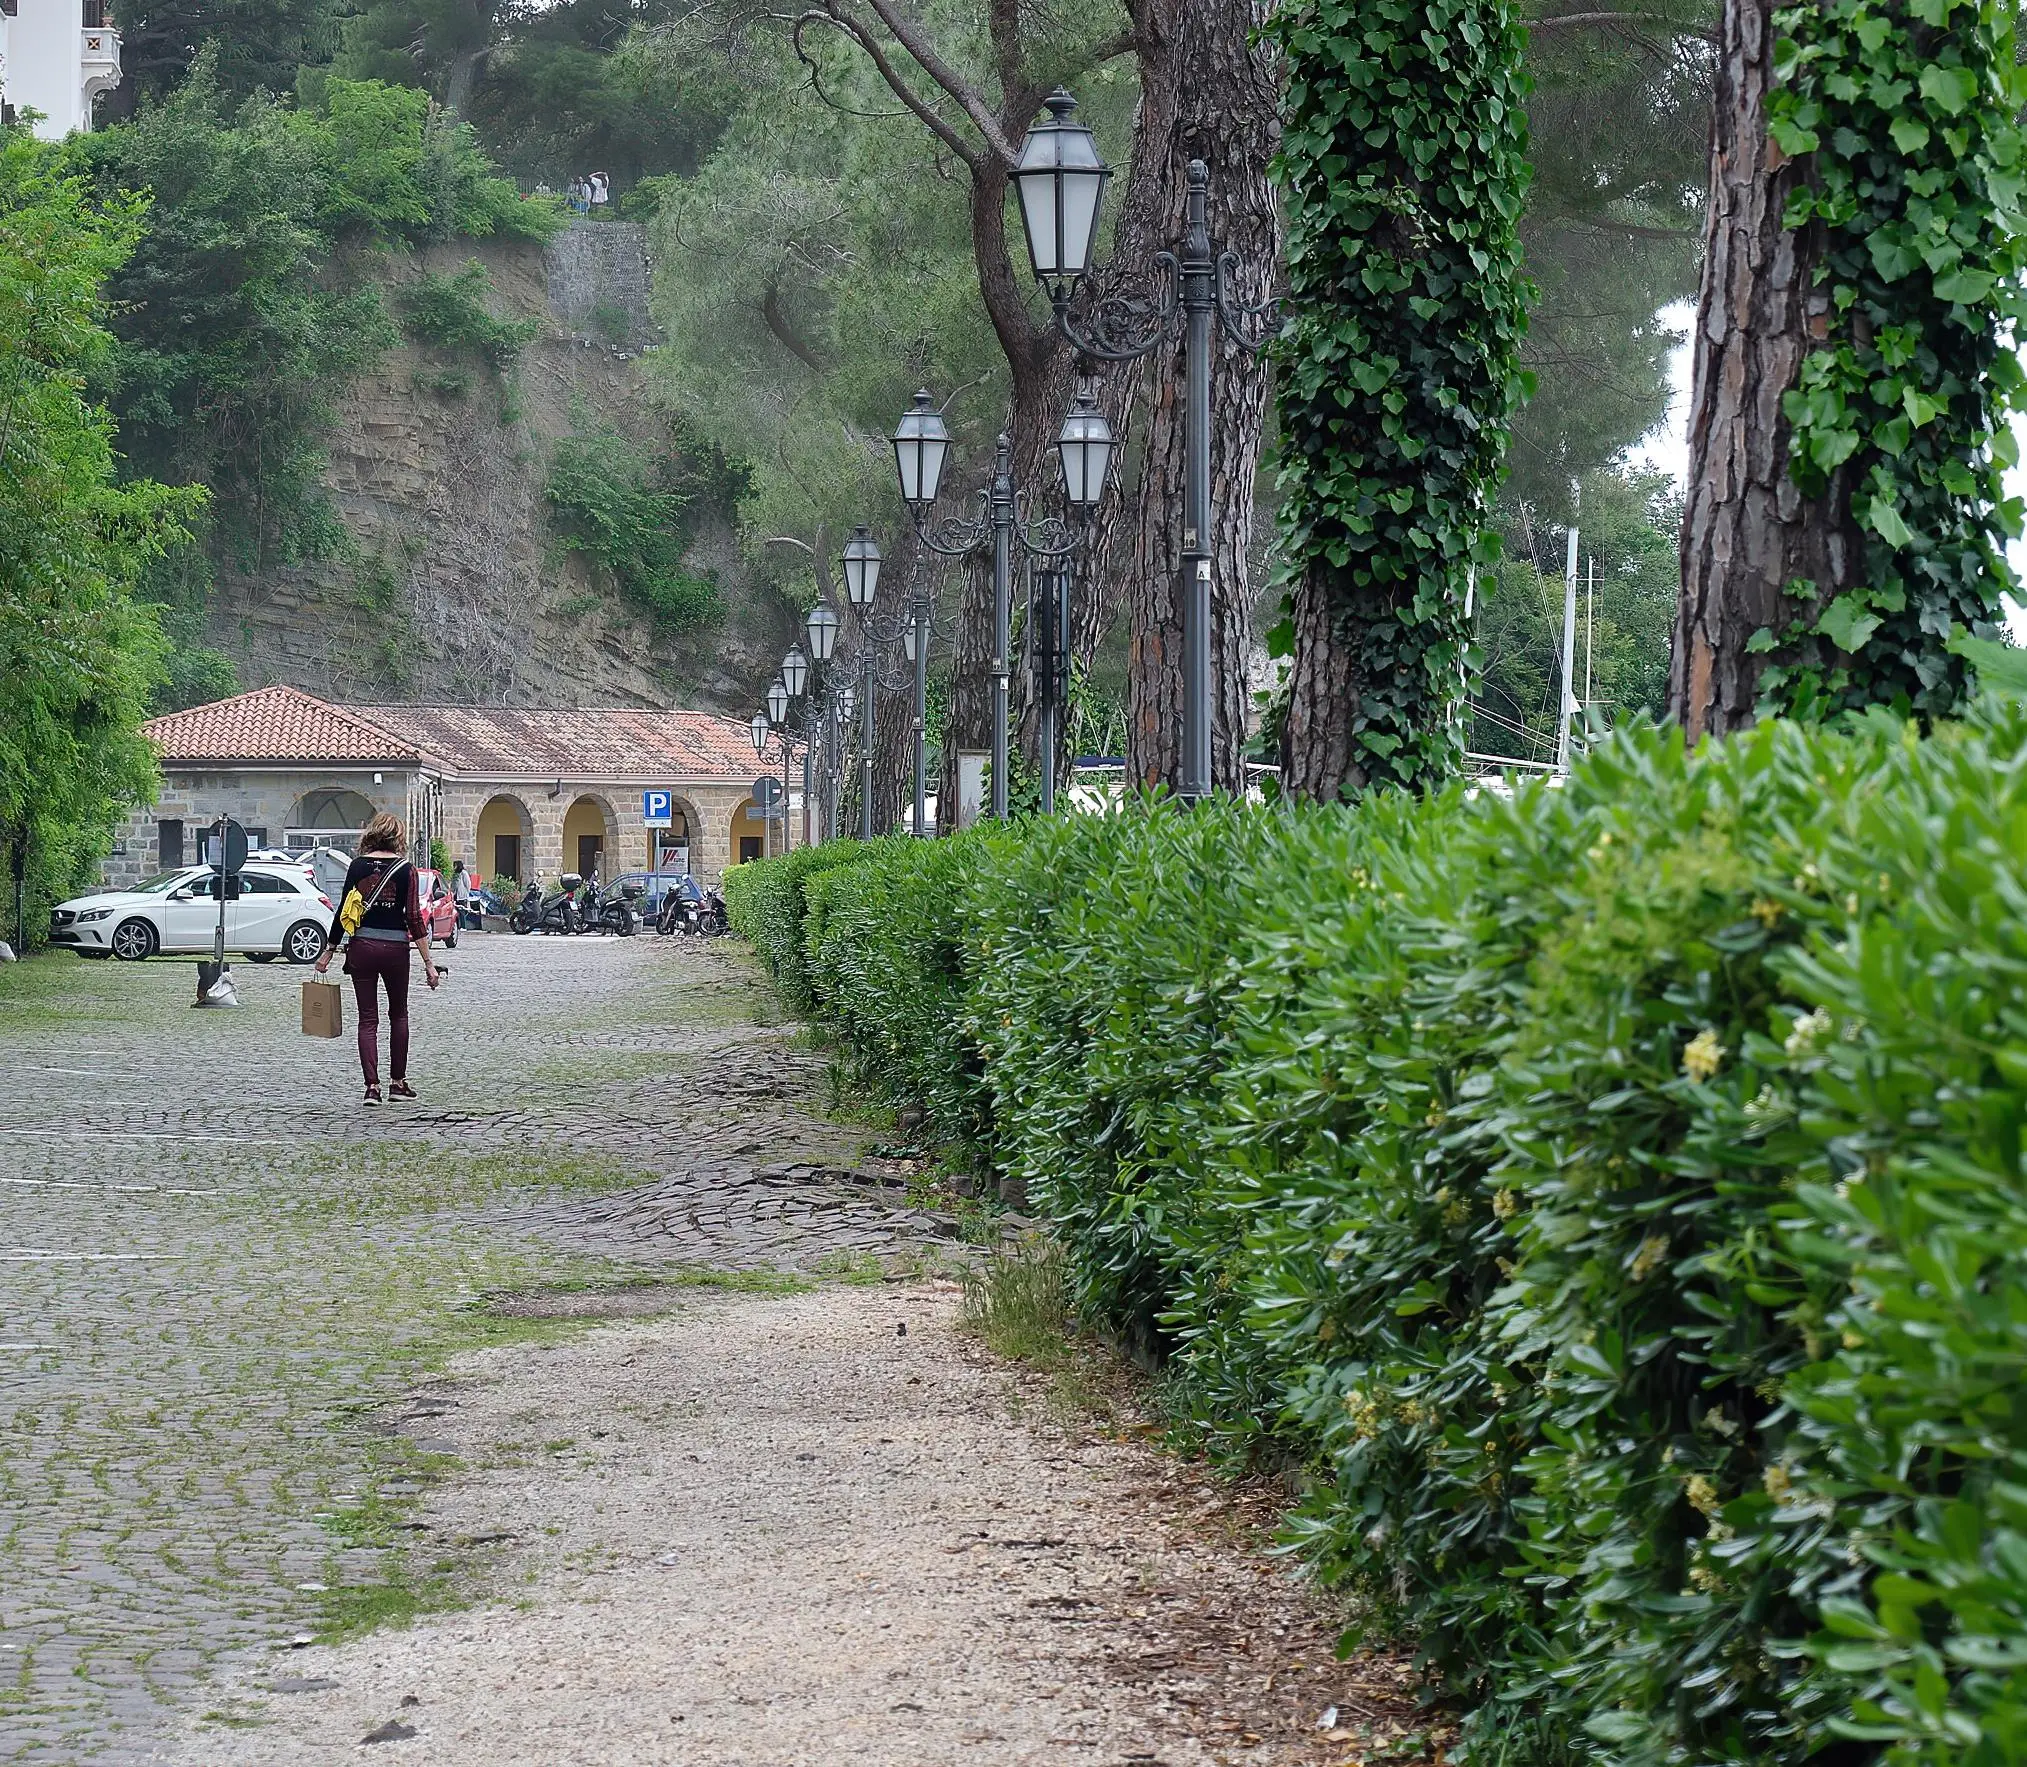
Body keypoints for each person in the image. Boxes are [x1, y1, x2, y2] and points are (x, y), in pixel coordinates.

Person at [314, 813, 439, 1107]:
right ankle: (398, 1083)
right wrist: (428, 962)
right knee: (399, 1014)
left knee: (367, 1019)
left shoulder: (357, 866)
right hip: (395, 949)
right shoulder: (406, 869)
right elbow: (413, 918)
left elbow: (344, 911)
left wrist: (329, 951)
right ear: (398, 836)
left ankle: (372, 1087)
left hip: (363, 948)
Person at [451, 858, 475, 930]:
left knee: (462, 911)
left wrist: (466, 892)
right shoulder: (455, 874)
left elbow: (467, 884)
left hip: (462, 895)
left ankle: (463, 926)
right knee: (456, 911)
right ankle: (457, 926)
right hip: (455, 894)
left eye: (455, 865)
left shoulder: (464, 873)